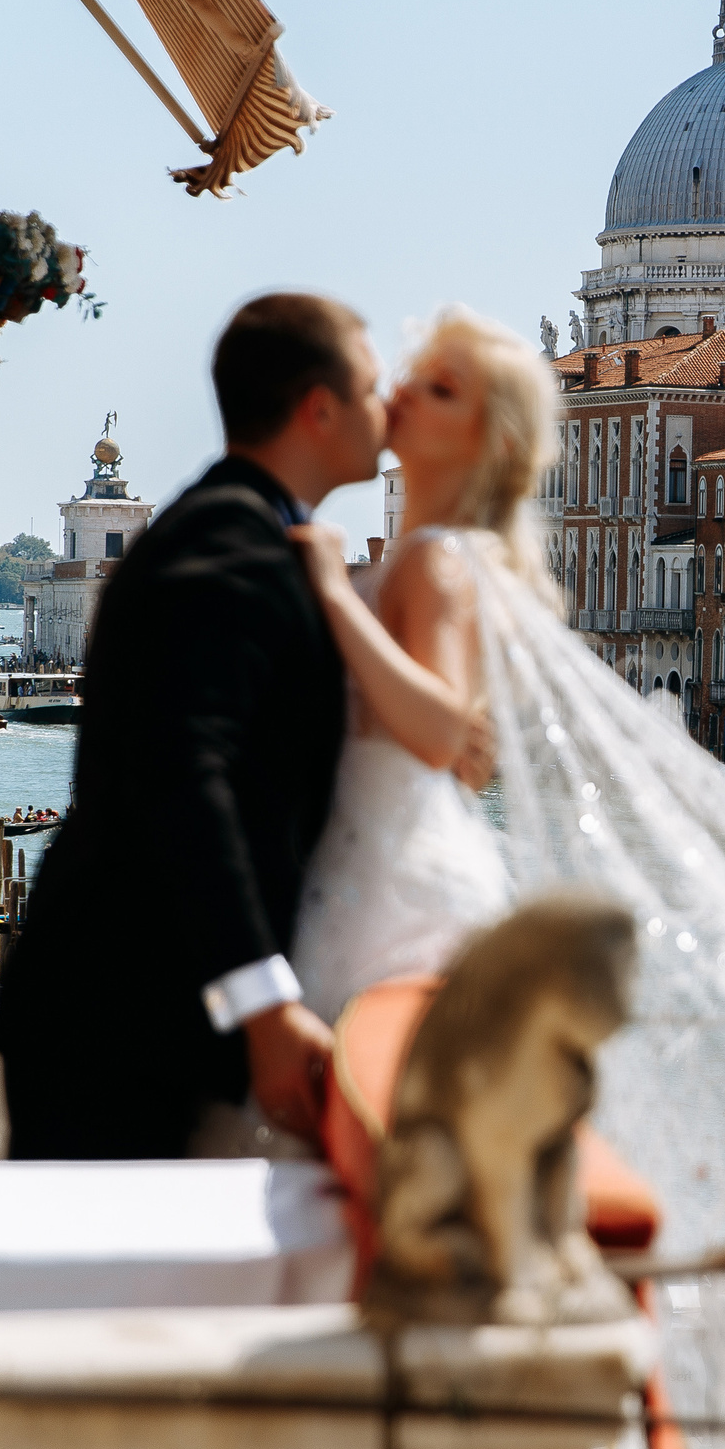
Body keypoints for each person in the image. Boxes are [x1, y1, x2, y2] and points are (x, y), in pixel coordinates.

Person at [0, 293, 490, 1158]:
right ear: (319, 409)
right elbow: (185, 772)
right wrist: (261, 1003)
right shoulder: (232, 542)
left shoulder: (244, 533)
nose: (389, 406)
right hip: (122, 1022)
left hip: (144, 1012)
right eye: (372, 389)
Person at [285, 308, 556, 1020]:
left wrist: (331, 591)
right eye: (415, 375)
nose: (403, 391)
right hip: (373, 874)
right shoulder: (422, 558)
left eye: (441, 390)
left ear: (485, 442)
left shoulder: (435, 559)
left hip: (392, 899)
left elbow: (440, 731)